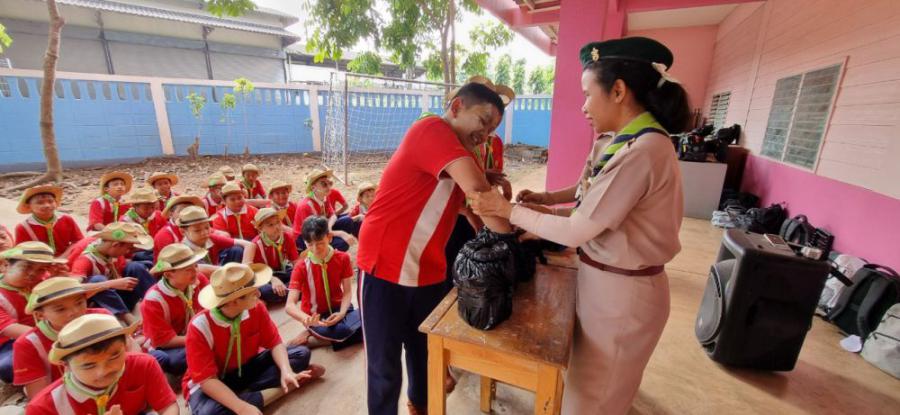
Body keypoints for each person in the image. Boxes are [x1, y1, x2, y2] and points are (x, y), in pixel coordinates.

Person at [468, 37, 690, 415]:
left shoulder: (643, 151)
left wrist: (506, 209)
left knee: (593, 400)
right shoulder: (619, 141)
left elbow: (578, 229)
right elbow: (590, 199)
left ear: (618, 91)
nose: (584, 106)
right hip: (605, 281)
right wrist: (546, 202)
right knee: (587, 388)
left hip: (624, 295)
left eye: (588, 94)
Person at [356, 81, 512, 415]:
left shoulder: (466, 154)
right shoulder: (431, 129)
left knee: (424, 354)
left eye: (492, 129)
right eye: (483, 121)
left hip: (427, 269)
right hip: (384, 264)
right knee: (383, 365)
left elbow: (471, 209)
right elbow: (479, 193)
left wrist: (493, 239)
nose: (485, 134)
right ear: (456, 107)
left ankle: (420, 406)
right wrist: (511, 239)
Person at [183, 263, 325, 415]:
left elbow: (275, 342)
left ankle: (249, 395)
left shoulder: (256, 308)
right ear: (234, 301)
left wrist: (286, 371)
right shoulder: (200, 326)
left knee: (300, 354)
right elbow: (207, 380)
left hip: (244, 369)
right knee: (209, 413)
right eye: (253, 292)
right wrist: (241, 407)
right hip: (213, 381)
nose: (259, 294)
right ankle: (266, 394)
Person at [25, 314, 178, 415]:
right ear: (65, 365)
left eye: (115, 356)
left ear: (126, 345)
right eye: (89, 365)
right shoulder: (43, 407)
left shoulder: (143, 365)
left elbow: (168, 407)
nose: (104, 371)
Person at [13, 277, 108, 398]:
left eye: (79, 303)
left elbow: (129, 357)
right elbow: (39, 397)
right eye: (60, 309)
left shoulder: (102, 318)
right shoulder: (29, 343)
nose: (74, 312)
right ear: (40, 315)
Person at [286, 216, 361, 350]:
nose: (315, 249)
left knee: (370, 315)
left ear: (329, 237)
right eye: (310, 244)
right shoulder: (301, 267)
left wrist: (342, 313)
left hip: (341, 308)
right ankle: (318, 335)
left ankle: (317, 339)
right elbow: (290, 305)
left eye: (320, 243)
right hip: (316, 317)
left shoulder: (343, 258)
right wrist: (306, 319)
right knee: (344, 330)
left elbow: (347, 292)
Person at [0, 242, 68, 384]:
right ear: (5, 266)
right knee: (8, 365)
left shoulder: (42, 282)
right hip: (10, 343)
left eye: (41, 269)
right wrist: (64, 337)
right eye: (26, 267)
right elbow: (11, 330)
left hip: (48, 332)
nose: (33, 274)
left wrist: (60, 281)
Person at [141, 243, 208, 376]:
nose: (195, 271)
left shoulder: (198, 280)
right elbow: (164, 341)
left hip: (195, 335)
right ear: (168, 274)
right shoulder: (153, 300)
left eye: (195, 266)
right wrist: (201, 337)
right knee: (179, 359)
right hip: (174, 345)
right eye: (188, 269)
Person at [69, 223, 156, 321]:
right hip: (99, 304)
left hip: (116, 299)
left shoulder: (111, 255)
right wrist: (110, 284)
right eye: (128, 248)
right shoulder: (85, 260)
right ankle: (129, 319)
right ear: (116, 245)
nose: (128, 252)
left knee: (135, 267)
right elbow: (72, 288)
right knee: (98, 280)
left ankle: (155, 303)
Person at [291, 169, 353, 252]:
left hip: (321, 228)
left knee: (348, 221)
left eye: (329, 183)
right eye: (324, 184)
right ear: (313, 187)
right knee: (342, 243)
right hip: (305, 237)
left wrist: (330, 229)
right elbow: (314, 232)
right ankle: (325, 254)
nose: (328, 187)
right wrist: (340, 233)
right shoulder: (306, 206)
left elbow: (333, 215)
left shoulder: (324, 197)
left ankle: (330, 249)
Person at [15, 185, 84, 257]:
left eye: (50, 201)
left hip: (68, 257)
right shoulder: (23, 227)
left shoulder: (66, 219)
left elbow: (79, 241)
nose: (47, 205)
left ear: (56, 203)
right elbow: (22, 252)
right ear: (29, 206)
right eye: (40, 203)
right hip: (38, 260)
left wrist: (63, 257)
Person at [178, 206, 255, 266]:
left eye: (207, 228)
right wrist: (232, 270)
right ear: (183, 232)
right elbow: (200, 269)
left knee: (237, 249)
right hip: (202, 279)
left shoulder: (210, 238)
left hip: (217, 271)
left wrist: (245, 265)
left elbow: (249, 244)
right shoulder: (183, 251)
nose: (204, 232)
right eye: (197, 230)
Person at [250, 208, 296, 303]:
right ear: (260, 228)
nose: (277, 227)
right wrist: (273, 279)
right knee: (266, 291)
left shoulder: (287, 237)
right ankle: (294, 293)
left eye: (278, 222)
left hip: (283, 271)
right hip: (265, 276)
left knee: (302, 278)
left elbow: (295, 262)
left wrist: (299, 277)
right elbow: (255, 270)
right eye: (270, 225)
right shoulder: (255, 244)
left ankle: (287, 292)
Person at [120, 187, 167, 263]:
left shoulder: (158, 215)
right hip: (135, 254)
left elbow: (165, 232)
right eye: (146, 208)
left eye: (153, 207)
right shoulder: (126, 222)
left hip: (156, 249)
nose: (150, 211)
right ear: (134, 206)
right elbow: (125, 247)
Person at [152, 194, 205, 261]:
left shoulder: (201, 228)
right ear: (171, 213)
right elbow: (174, 263)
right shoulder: (164, 235)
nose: (187, 214)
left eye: (189, 211)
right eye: (182, 211)